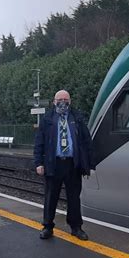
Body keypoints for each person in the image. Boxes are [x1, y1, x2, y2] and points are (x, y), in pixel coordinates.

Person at [34, 89, 94, 241]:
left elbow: (87, 142)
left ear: (70, 101)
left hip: (73, 164)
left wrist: (89, 164)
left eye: (65, 99)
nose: (62, 102)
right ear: (54, 101)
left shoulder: (77, 118)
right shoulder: (48, 119)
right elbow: (39, 142)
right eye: (59, 99)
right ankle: (47, 226)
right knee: (50, 197)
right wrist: (39, 163)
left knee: (74, 198)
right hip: (53, 164)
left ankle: (76, 227)